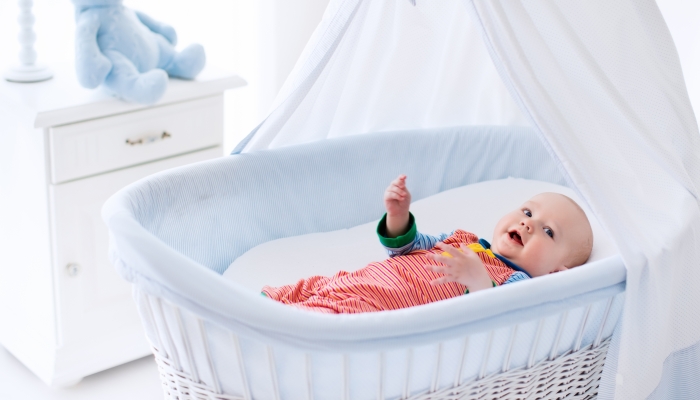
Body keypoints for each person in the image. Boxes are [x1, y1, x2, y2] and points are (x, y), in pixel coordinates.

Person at [262, 175, 593, 313]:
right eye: (527, 211)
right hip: (363, 278)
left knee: (324, 315)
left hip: (383, 303)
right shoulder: (463, 239)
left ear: (556, 272)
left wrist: (478, 279)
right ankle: (254, 311)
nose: (528, 223)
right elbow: (408, 247)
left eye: (548, 231)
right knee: (309, 288)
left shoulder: (517, 282)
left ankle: (282, 332)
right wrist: (399, 217)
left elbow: (496, 313)